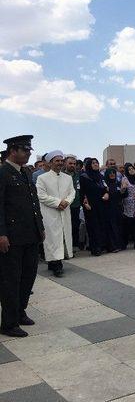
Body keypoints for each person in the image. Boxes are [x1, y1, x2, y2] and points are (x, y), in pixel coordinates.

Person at [0, 135, 43, 337]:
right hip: (12, 236)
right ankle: (8, 323)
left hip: (30, 234)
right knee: (11, 279)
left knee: (28, 276)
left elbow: (34, 203)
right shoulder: (3, 173)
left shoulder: (26, 172)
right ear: (12, 151)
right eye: (25, 150)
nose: (28, 154)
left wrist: (40, 227)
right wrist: (1, 234)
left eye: (29, 151)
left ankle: (20, 311)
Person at [36, 151, 75, 277]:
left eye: (61, 161)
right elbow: (41, 196)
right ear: (50, 163)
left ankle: (56, 262)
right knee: (52, 238)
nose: (59, 163)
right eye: (56, 161)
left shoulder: (68, 178)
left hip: (64, 211)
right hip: (50, 212)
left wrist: (67, 202)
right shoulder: (42, 178)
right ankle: (56, 264)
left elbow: (72, 193)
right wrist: (58, 202)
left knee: (62, 237)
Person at [79, 158, 108, 256]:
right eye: (93, 163)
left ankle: (101, 245)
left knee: (101, 225)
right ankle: (95, 248)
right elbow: (81, 192)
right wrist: (85, 203)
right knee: (93, 227)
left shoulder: (100, 176)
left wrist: (107, 193)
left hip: (101, 204)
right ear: (89, 165)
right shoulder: (84, 176)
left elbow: (104, 188)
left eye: (97, 163)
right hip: (90, 205)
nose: (96, 165)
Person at [103, 167, 125, 252]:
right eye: (110, 173)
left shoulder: (118, 183)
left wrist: (123, 190)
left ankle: (119, 245)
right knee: (111, 228)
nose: (112, 174)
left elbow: (124, 195)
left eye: (113, 173)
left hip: (118, 209)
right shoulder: (104, 184)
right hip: (109, 209)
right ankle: (112, 246)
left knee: (119, 227)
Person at [63, 155, 83, 250]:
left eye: (74, 164)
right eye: (70, 163)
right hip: (64, 205)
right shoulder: (61, 175)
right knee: (65, 227)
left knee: (75, 225)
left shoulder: (79, 175)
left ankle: (74, 244)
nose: (72, 165)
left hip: (76, 204)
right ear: (65, 164)